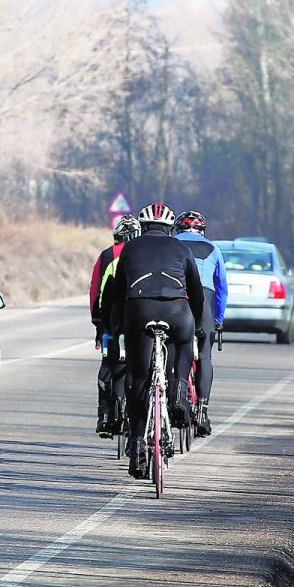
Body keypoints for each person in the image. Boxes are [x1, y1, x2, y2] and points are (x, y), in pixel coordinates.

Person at [110, 202, 204, 479]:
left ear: (144, 224)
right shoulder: (182, 249)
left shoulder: (130, 248)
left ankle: (138, 446)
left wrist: (117, 324)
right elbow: (196, 292)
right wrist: (196, 325)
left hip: (139, 310)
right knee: (184, 344)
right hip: (177, 310)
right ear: (170, 227)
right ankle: (176, 391)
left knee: (138, 379)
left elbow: (116, 290)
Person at [173, 210, 227, 437]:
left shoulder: (171, 244)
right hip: (204, 302)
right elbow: (221, 287)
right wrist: (218, 320)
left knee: (174, 349)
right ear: (202, 230)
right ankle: (202, 411)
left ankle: (174, 398)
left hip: (177, 299)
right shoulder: (213, 249)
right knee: (204, 356)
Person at [89, 214, 142, 437]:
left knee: (108, 364)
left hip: (110, 324)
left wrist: (97, 321)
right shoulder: (142, 253)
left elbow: (95, 290)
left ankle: (105, 415)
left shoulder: (107, 255)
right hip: (138, 321)